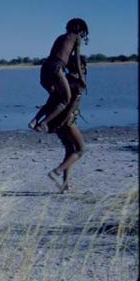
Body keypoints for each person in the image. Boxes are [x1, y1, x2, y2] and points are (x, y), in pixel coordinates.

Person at [29, 18, 89, 133]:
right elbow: (76, 59)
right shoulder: (76, 37)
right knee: (66, 99)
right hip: (56, 68)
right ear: (78, 28)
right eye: (82, 31)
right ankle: (44, 123)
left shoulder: (60, 37)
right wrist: (81, 77)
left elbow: (59, 55)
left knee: (54, 98)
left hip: (45, 68)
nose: (82, 34)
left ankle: (34, 120)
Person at [42, 55, 87, 193]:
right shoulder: (79, 83)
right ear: (82, 67)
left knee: (69, 150)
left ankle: (65, 186)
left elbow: (52, 101)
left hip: (57, 120)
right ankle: (56, 172)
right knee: (80, 150)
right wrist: (63, 123)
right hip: (67, 121)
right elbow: (72, 106)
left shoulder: (63, 80)